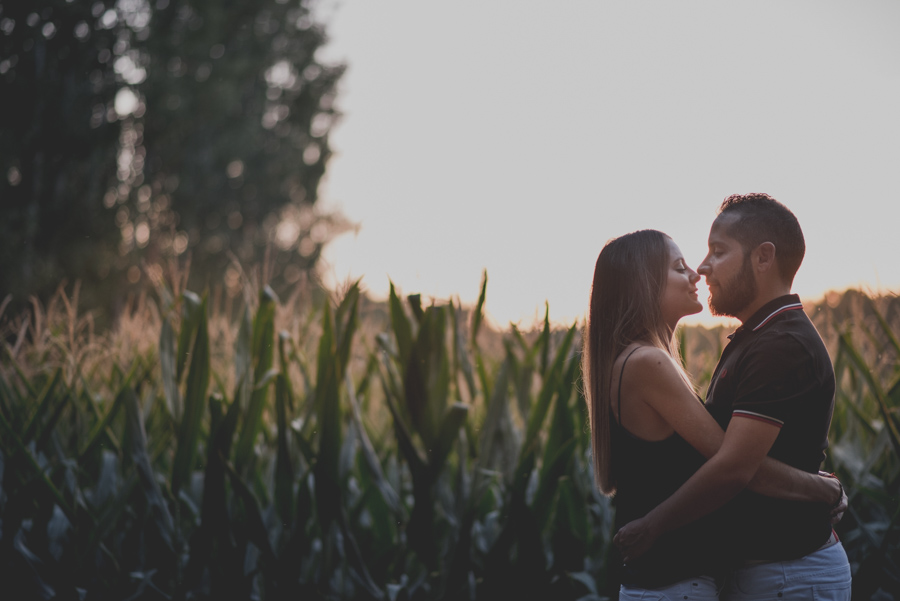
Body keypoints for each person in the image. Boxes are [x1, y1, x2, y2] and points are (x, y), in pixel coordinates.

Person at [581, 228, 844, 600]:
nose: (696, 274)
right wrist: (825, 488)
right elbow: (734, 461)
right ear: (644, 284)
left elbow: (735, 459)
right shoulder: (647, 362)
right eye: (678, 267)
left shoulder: (636, 360)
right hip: (675, 586)